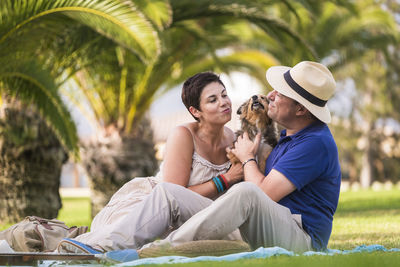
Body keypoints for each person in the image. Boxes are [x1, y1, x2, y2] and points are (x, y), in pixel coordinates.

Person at [137, 60, 341, 253]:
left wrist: (247, 158)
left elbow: (262, 194)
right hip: (266, 225)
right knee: (169, 192)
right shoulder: (289, 137)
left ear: (301, 109)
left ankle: (165, 248)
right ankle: (109, 247)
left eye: (280, 94)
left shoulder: (314, 143)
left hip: (301, 239)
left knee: (247, 193)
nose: (270, 95)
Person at [57, 72, 243, 253]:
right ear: (195, 111)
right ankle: (84, 247)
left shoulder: (236, 140)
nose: (224, 102)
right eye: (213, 100)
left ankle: (90, 247)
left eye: (224, 95)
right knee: (123, 228)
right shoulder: (184, 135)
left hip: (201, 215)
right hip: (156, 203)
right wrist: (225, 179)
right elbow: (175, 192)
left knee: (127, 236)